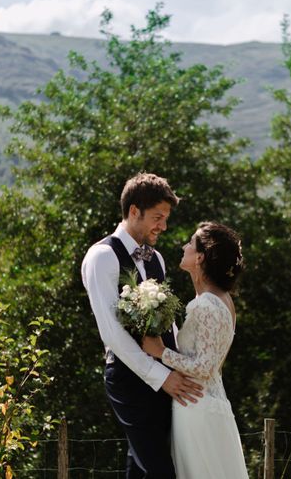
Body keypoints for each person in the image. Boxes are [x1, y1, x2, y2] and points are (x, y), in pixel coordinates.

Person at [82, 173, 203, 479]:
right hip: (130, 379)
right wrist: (162, 377)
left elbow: (168, 326)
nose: (163, 226)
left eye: (165, 218)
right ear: (134, 211)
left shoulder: (157, 259)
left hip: (166, 375)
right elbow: (112, 332)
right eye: (157, 217)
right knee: (162, 470)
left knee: (142, 469)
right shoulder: (102, 257)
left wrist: (183, 367)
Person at [142, 222, 250, 479]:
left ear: (200, 257)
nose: (184, 246)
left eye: (190, 243)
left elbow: (204, 367)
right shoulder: (223, 300)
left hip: (195, 406)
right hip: (212, 404)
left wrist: (159, 351)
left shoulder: (205, 304)